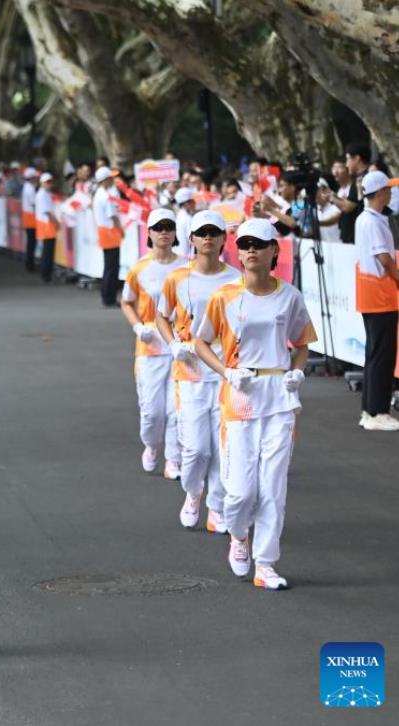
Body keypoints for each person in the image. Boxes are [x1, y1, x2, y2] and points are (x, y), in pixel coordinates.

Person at [194, 218, 315, 590]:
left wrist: (295, 372)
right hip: (241, 397)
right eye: (244, 244)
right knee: (241, 491)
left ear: (273, 250)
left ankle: (266, 563)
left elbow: (302, 343)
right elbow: (201, 342)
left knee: (273, 486)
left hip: (278, 397)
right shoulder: (224, 297)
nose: (249, 250)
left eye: (258, 244)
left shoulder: (289, 296)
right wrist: (227, 372)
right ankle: (238, 535)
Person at [157, 210, 241, 531]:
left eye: (213, 233)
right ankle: (193, 492)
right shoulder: (177, 278)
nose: (207, 238)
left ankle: (215, 505)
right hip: (190, 372)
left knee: (222, 448)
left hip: (223, 373)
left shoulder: (235, 279)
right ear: (191, 238)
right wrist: (172, 345)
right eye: (201, 233)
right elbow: (162, 315)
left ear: (223, 238)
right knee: (195, 449)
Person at [121, 209, 187, 478]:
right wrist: (138, 326)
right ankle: (151, 445)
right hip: (149, 348)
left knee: (176, 409)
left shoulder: (186, 268)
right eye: (158, 227)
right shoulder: (139, 268)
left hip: (180, 347)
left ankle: (174, 459)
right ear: (148, 233)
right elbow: (126, 301)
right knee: (152, 412)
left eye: (168, 227)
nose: (164, 232)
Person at [353, 170, 399, 431]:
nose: (392, 193)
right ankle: (377, 411)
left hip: (372, 293)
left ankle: (370, 410)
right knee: (382, 354)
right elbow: (385, 259)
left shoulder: (366, 219)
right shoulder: (373, 221)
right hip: (380, 294)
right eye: (389, 189)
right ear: (381, 192)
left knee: (375, 353)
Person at [93, 167, 123, 307]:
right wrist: (121, 229)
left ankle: (107, 295)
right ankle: (109, 297)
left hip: (104, 231)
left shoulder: (99, 194)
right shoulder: (105, 196)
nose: (112, 180)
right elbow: (113, 216)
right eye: (110, 178)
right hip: (109, 232)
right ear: (105, 180)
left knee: (109, 266)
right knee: (112, 267)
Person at [334, 143, 371, 244]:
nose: (347, 164)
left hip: (366, 236)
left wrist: (331, 198)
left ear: (357, 158)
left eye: (348, 159)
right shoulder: (359, 179)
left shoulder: (366, 178)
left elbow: (348, 206)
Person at [35, 172, 60, 282]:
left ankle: (46, 273)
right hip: (46, 224)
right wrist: (56, 223)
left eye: (50, 182)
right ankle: (46, 274)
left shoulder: (45, 193)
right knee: (47, 251)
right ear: (42, 183)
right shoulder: (42, 194)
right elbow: (48, 212)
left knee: (48, 250)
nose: (49, 184)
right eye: (47, 182)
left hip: (47, 224)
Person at [21, 168, 38, 272]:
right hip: (30, 217)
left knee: (31, 242)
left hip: (29, 216)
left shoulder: (28, 187)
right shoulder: (29, 188)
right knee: (31, 242)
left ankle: (29, 263)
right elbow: (34, 203)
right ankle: (30, 264)